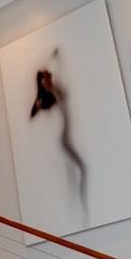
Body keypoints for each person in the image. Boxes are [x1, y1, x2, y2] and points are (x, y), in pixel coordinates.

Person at [29, 47, 87, 210]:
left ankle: (77, 201)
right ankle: (78, 203)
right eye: (47, 76)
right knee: (80, 169)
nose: (51, 76)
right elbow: (49, 86)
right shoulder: (50, 96)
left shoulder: (54, 92)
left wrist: (54, 58)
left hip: (65, 138)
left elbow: (52, 73)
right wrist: (40, 101)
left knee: (77, 170)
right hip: (64, 139)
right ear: (43, 81)